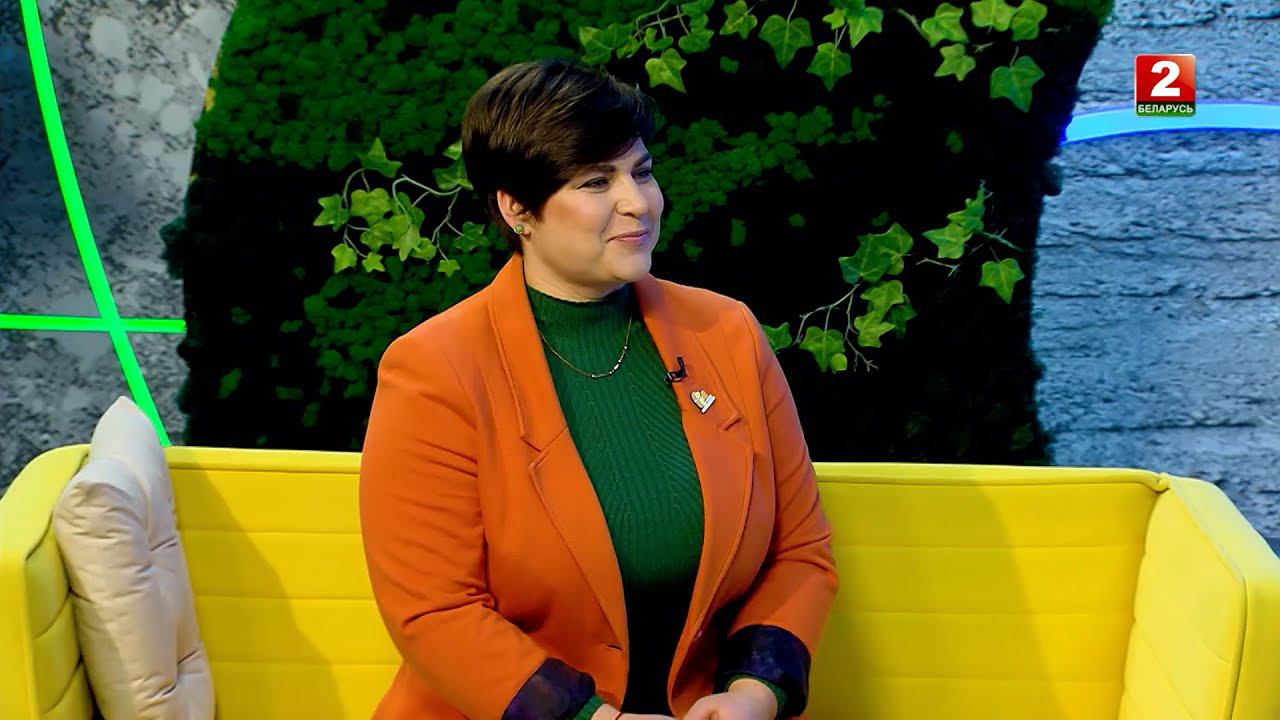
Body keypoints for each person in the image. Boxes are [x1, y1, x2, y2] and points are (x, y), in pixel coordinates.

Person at [358, 57, 838, 720]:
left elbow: (799, 550)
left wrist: (753, 694)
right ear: (517, 208)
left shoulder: (727, 333)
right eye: (595, 181)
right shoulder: (434, 369)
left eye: (641, 171)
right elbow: (435, 609)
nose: (638, 202)